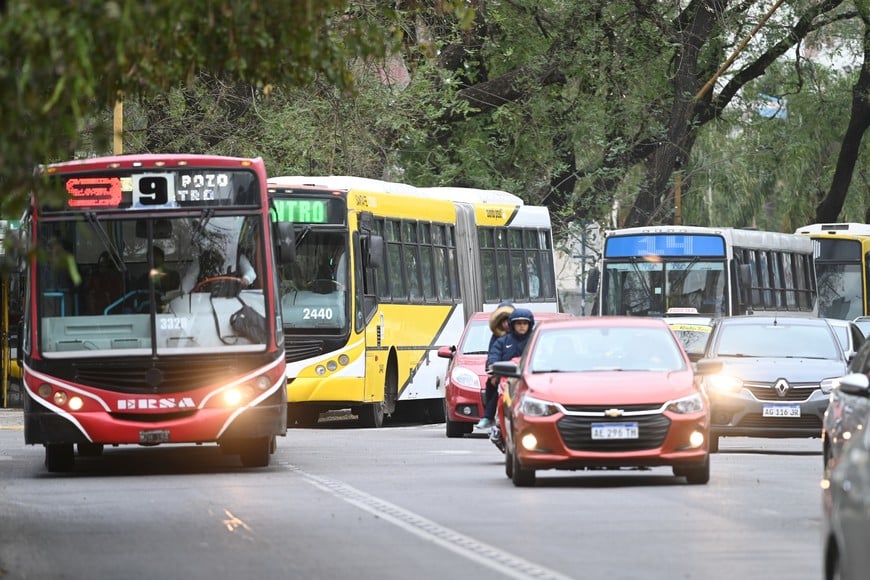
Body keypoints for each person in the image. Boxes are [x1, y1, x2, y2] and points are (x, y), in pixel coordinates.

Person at [475, 307, 535, 430]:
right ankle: (488, 416)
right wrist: (494, 371)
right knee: (492, 384)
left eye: (525, 323)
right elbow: (493, 357)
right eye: (518, 323)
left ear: (530, 324)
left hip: (531, 378)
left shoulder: (535, 340)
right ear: (512, 325)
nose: (522, 326)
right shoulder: (502, 341)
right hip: (506, 378)